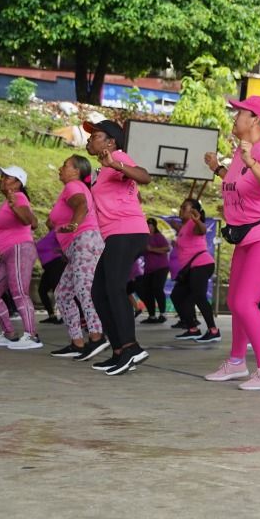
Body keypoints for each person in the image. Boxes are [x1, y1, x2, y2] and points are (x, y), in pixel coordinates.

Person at [200, 95, 260, 391]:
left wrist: (251, 161)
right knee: (234, 301)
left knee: (245, 301)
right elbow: (238, 183)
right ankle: (236, 362)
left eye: (239, 112)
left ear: (255, 119)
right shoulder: (243, 150)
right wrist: (218, 169)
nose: (234, 116)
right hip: (249, 234)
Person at [84, 120, 152, 375]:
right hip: (116, 234)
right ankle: (119, 351)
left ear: (111, 141)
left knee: (112, 288)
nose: (89, 140)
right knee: (99, 292)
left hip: (127, 232)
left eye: (95, 136)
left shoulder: (119, 157)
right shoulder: (103, 169)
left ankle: (131, 347)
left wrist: (116, 163)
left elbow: (144, 176)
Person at [45, 155, 109, 360]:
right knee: (63, 294)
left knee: (84, 289)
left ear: (77, 171)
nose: (60, 168)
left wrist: (73, 224)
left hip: (84, 240)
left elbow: (81, 205)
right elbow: (52, 221)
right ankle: (77, 342)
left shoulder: (73, 186)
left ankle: (97, 336)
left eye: (65, 165)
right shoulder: (74, 187)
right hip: (77, 246)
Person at [0, 167, 43, 350]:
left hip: (19, 250)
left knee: (19, 292)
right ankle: (9, 334)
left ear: (17, 183)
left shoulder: (19, 198)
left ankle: (32, 336)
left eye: (6, 177)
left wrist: (15, 204)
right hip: (8, 254)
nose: (1, 179)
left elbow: (30, 221)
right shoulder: (7, 203)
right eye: (2, 176)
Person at [170, 199, 221, 343]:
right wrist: (177, 230)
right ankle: (193, 328)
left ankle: (213, 330)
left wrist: (198, 221)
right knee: (177, 296)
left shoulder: (193, 223)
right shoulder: (184, 226)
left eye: (184, 207)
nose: (180, 209)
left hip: (201, 264)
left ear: (194, 211)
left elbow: (202, 230)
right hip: (190, 269)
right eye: (181, 206)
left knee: (199, 297)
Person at [136, 219, 171, 324]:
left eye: (151, 225)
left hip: (161, 268)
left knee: (157, 288)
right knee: (146, 291)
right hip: (148, 269)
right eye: (148, 225)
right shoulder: (144, 238)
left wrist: (152, 249)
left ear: (155, 227)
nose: (149, 227)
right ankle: (152, 316)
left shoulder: (158, 236)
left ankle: (163, 314)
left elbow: (167, 248)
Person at [35, 230, 65, 324]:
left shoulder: (57, 230)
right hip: (48, 267)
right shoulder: (48, 235)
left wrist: (63, 250)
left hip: (56, 264)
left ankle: (66, 316)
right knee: (42, 290)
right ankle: (52, 316)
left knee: (59, 291)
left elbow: (66, 240)